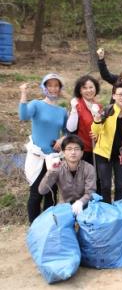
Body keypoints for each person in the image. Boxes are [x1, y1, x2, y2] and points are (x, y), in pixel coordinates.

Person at [18, 73, 67, 224]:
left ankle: (47, 226)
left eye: (56, 85)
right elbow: (23, 115)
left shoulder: (62, 111)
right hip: (37, 157)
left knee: (51, 193)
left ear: (60, 89)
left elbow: (68, 131)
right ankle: (34, 226)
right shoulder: (36, 104)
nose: (53, 88)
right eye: (49, 85)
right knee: (35, 194)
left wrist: (62, 138)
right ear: (44, 87)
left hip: (53, 158)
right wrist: (24, 93)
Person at [91, 81, 122, 203]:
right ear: (114, 96)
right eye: (120, 94)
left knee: (120, 184)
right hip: (103, 153)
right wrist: (96, 120)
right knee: (105, 185)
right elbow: (95, 131)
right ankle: (106, 209)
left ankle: (119, 209)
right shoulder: (107, 111)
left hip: (121, 153)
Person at [38, 135, 96, 216]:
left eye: (76, 149)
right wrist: (50, 172)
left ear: (82, 153)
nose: (73, 152)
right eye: (69, 149)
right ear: (63, 152)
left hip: (86, 208)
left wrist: (80, 202)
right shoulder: (58, 167)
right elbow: (42, 190)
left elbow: (90, 192)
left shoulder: (89, 168)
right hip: (64, 208)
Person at [66, 75, 102, 166]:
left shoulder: (99, 106)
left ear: (95, 88)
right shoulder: (77, 105)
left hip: (97, 150)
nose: (89, 90)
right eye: (85, 88)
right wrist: (74, 109)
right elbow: (71, 128)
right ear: (80, 91)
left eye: (91, 87)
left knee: (96, 178)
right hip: (82, 151)